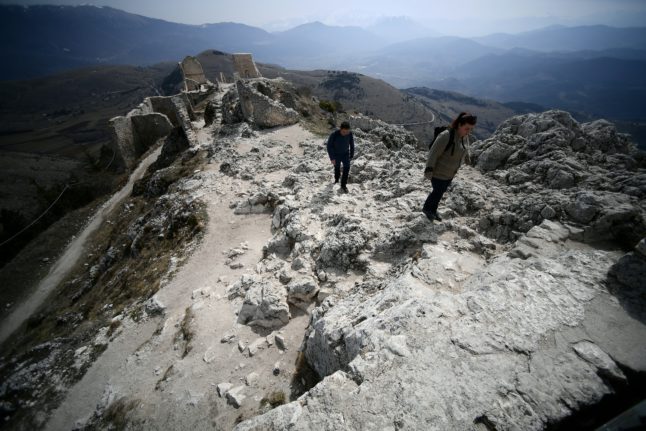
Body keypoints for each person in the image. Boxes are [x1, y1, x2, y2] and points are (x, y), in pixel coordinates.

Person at [422, 112, 477, 221]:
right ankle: (427, 209)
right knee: (437, 192)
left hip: (450, 173)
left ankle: (433, 210)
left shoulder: (464, 136)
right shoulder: (446, 135)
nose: (469, 132)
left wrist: (467, 158)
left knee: (440, 192)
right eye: (467, 128)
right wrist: (429, 169)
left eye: (471, 129)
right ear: (459, 125)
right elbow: (433, 153)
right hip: (439, 172)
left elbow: (465, 148)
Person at [326, 121, 355, 193]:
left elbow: (352, 144)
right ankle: (336, 179)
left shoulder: (350, 134)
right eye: (344, 132)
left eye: (347, 132)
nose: (346, 133)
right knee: (337, 168)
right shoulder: (334, 135)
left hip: (345, 154)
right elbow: (329, 146)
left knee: (347, 168)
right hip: (336, 155)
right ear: (340, 129)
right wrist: (332, 158)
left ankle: (343, 185)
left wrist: (351, 154)